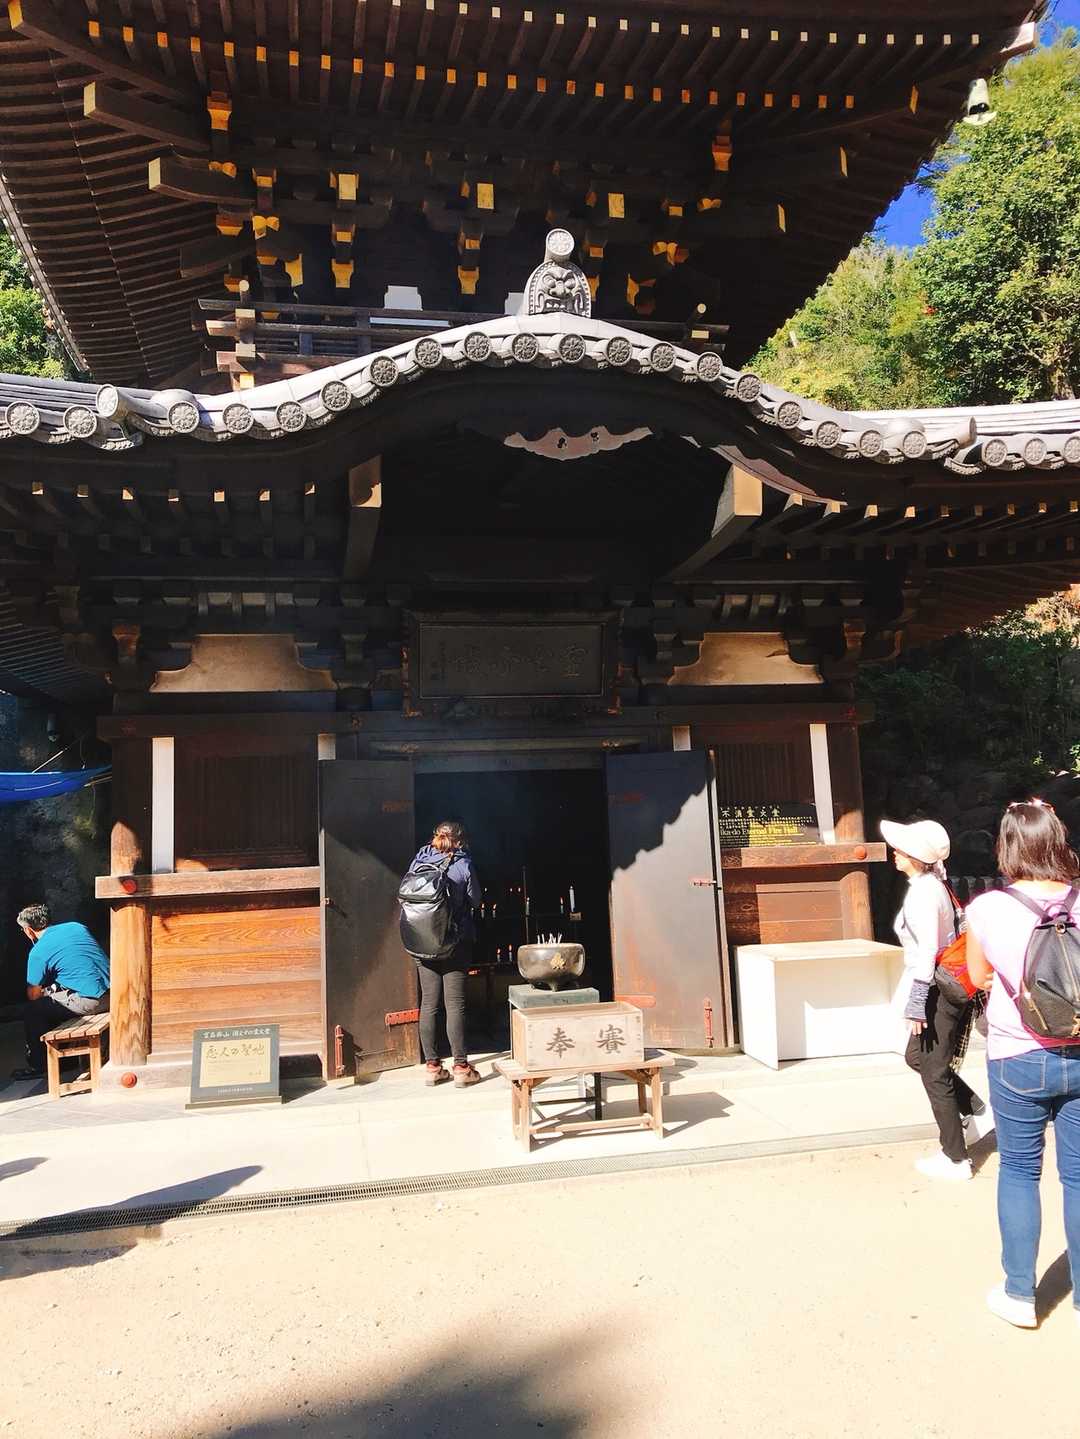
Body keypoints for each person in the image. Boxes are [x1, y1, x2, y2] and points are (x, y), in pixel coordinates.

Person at [965, 799, 1080, 1329]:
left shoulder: (988, 907)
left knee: (1019, 1169)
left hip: (1017, 1054)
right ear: (1058, 840)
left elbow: (978, 976)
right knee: (1077, 1175)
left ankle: (1019, 1294)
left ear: (1007, 846)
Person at [880, 817, 983, 1182]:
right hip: (942, 983)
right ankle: (973, 1110)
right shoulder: (934, 886)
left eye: (900, 849)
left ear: (914, 856)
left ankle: (955, 1157)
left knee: (933, 1071)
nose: (894, 853)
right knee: (918, 1058)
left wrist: (917, 1000)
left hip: (936, 986)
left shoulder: (923, 892)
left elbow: (927, 950)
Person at [405, 822, 482, 1088]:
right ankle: (461, 1068)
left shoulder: (419, 860)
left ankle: (433, 1067)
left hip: (422, 941)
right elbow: (475, 900)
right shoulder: (463, 864)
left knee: (429, 1003)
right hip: (454, 942)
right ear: (460, 840)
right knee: (455, 1004)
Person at [9, 903, 110, 1080]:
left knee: (34, 1010)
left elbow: (33, 995)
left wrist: (47, 990)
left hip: (92, 1000)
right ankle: (66, 1057)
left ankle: (40, 1065)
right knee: (55, 999)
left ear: (28, 930)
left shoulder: (38, 952)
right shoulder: (77, 927)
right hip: (113, 992)